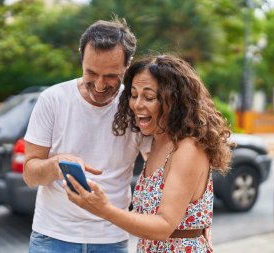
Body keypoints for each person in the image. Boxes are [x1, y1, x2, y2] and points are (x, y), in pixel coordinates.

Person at [64, 55, 234, 252]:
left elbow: (164, 226)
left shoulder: (188, 148)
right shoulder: (157, 141)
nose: (137, 105)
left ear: (175, 101)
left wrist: (104, 210)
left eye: (149, 97)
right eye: (134, 95)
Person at [23, 18, 152, 253]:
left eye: (111, 76)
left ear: (127, 65)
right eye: (91, 73)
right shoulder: (52, 100)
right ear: (81, 58)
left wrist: (193, 225)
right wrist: (57, 165)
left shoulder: (136, 106)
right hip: (52, 236)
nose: (100, 85)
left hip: (111, 238)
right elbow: (30, 175)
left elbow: (162, 168)